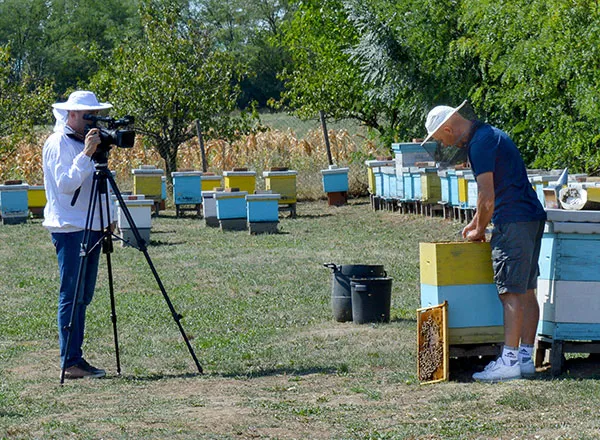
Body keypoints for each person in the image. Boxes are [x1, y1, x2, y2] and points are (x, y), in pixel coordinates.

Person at [423, 101, 547, 382]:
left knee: (510, 293)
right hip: (530, 216)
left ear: (448, 127)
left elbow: (487, 194)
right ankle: (526, 358)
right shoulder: (490, 135)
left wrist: (478, 229)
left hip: (513, 220)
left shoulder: (480, 143)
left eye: (440, 137)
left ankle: (510, 360)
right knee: (527, 290)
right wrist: (477, 221)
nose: (443, 142)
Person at [43, 90, 113, 379]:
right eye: (87, 115)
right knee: (71, 294)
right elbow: (66, 184)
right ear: (71, 114)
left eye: (95, 115)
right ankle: (70, 361)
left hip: (92, 225)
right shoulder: (59, 142)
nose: (92, 120)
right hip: (70, 227)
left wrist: (108, 219)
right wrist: (86, 153)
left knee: (83, 295)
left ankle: (75, 357)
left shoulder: (81, 141)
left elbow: (102, 183)